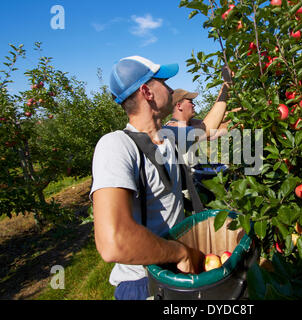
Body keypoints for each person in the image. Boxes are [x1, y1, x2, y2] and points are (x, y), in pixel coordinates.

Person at [90, 55, 223, 300]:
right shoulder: (117, 145)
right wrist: (180, 253)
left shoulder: (168, 136)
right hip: (145, 283)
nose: (171, 89)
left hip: (176, 269)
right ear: (146, 91)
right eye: (163, 81)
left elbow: (207, 129)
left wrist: (226, 90)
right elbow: (112, 242)